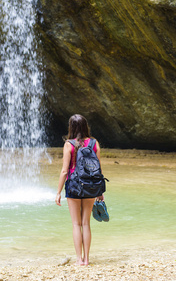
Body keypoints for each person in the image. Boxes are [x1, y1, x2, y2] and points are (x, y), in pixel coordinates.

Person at [55, 114, 104, 266]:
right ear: (85, 126)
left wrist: (58, 192)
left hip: (74, 186)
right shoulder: (94, 143)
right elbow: (99, 169)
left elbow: (64, 171)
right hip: (90, 185)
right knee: (86, 224)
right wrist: (100, 192)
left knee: (76, 224)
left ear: (71, 127)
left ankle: (79, 260)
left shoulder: (68, 144)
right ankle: (87, 259)